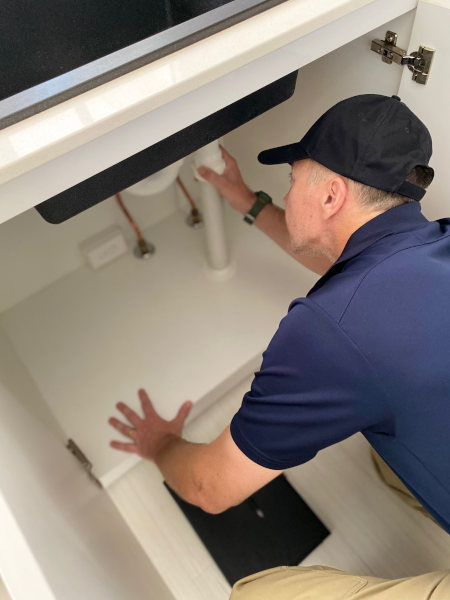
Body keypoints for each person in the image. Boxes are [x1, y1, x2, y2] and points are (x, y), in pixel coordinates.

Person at [108, 94, 450, 599]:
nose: (287, 191)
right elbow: (355, 272)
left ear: (331, 196)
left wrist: (158, 444)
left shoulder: (327, 331)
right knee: (389, 433)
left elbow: (210, 489)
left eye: (292, 180)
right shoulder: (432, 244)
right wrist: (245, 198)